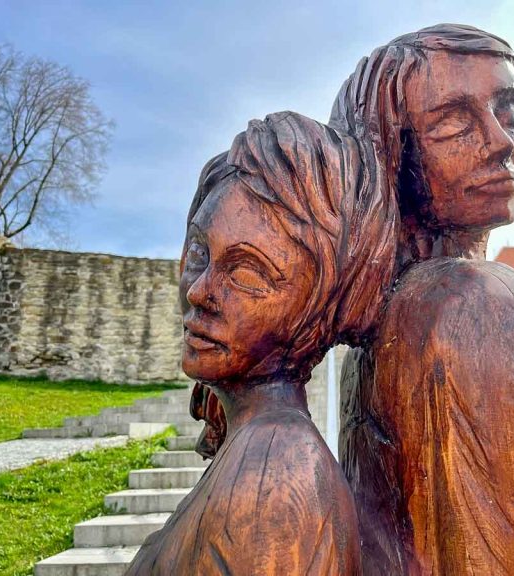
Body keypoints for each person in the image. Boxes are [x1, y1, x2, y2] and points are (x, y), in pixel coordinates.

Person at [329, 24, 514, 574]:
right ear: (391, 154)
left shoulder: (383, 329)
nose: (500, 141)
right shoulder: (481, 310)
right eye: (454, 122)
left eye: (510, 110)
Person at [126, 112, 397, 575]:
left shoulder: (276, 473)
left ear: (315, 307)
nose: (199, 291)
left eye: (247, 272)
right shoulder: (256, 447)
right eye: (198, 253)